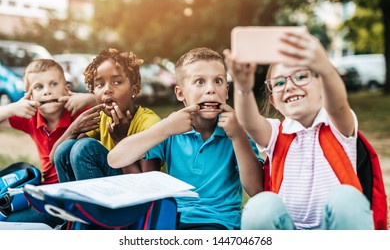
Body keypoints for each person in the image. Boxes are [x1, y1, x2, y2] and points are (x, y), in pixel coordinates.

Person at [224, 28, 374, 230]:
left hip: (334, 229)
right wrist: (243, 88)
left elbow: (338, 104)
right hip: (290, 230)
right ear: (273, 100)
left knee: (347, 198)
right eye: (279, 82)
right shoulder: (276, 133)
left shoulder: (337, 124)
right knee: (261, 205)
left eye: (301, 77)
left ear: (322, 84)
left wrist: (324, 68)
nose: (289, 86)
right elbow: (248, 121)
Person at [108, 47, 264, 230]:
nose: (211, 90)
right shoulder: (170, 129)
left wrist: (238, 136)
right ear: (180, 93)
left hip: (219, 224)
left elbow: (257, 190)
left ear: (227, 91)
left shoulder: (237, 130)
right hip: (171, 222)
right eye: (199, 82)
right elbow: (115, 159)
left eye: (218, 81)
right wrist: (165, 129)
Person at [0, 58, 96, 228]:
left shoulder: (80, 112)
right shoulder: (30, 117)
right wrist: (13, 108)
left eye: (53, 84)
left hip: (77, 190)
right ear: (28, 96)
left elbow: (117, 104)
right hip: (47, 193)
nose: (47, 92)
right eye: (38, 87)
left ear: (67, 89)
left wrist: (90, 99)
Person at [53, 48, 161, 183]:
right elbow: (56, 157)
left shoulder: (149, 124)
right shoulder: (102, 118)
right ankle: (75, 203)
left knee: (85, 148)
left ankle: (91, 204)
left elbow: (149, 187)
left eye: (116, 82)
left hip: (141, 195)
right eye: (99, 84)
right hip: (116, 188)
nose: (107, 90)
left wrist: (120, 140)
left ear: (134, 89)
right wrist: (74, 129)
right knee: (65, 149)